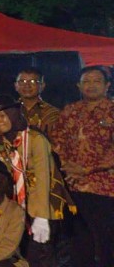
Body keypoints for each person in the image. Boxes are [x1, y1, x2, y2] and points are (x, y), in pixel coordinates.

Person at [0, 97, 65, 266]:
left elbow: (44, 178)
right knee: (21, 255)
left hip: (43, 205)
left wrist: (42, 216)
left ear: (13, 114)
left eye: (2, 116)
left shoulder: (35, 139)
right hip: (17, 207)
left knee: (43, 254)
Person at [54, 66, 114, 266]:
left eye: (96, 81)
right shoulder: (70, 111)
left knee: (106, 240)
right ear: (78, 86)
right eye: (86, 81)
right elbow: (57, 140)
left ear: (107, 86)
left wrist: (87, 169)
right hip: (73, 185)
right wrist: (67, 166)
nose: (91, 85)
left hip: (104, 188)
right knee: (78, 239)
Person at [13, 68, 60, 135]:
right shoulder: (10, 111)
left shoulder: (52, 113)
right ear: (16, 86)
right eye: (22, 81)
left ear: (42, 86)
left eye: (32, 81)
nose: (27, 85)